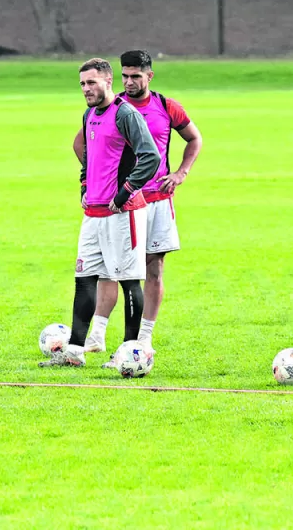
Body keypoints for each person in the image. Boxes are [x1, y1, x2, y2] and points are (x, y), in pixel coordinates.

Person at [74, 50, 202, 364]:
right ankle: (95, 338)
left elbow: (193, 139)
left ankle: (141, 341)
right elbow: (84, 144)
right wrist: (91, 181)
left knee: (150, 270)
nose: (130, 82)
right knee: (107, 271)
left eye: (136, 76)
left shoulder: (164, 106)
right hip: (115, 204)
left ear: (149, 76)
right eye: (125, 76)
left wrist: (180, 173)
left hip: (153, 200)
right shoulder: (106, 109)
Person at [41, 58, 160, 368]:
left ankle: (130, 353)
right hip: (93, 215)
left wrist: (124, 193)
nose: (86, 89)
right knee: (84, 279)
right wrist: (84, 185)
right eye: (82, 84)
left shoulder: (125, 114)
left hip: (124, 215)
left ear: (109, 82)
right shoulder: (89, 114)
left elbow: (151, 156)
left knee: (129, 282)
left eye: (91, 82)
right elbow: (89, 159)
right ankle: (75, 352)